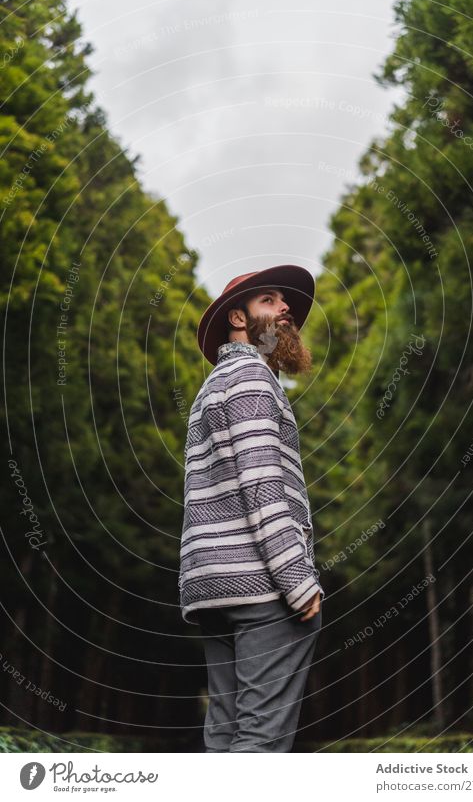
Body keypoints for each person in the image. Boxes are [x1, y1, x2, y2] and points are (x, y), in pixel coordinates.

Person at [179, 264, 325, 752]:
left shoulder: (212, 387)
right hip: (262, 585)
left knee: (224, 732)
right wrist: (297, 580)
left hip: (213, 586)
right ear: (237, 318)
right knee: (260, 741)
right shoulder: (251, 380)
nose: (285, 310)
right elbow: (262, 485)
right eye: (270, 301)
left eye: (284, 303)